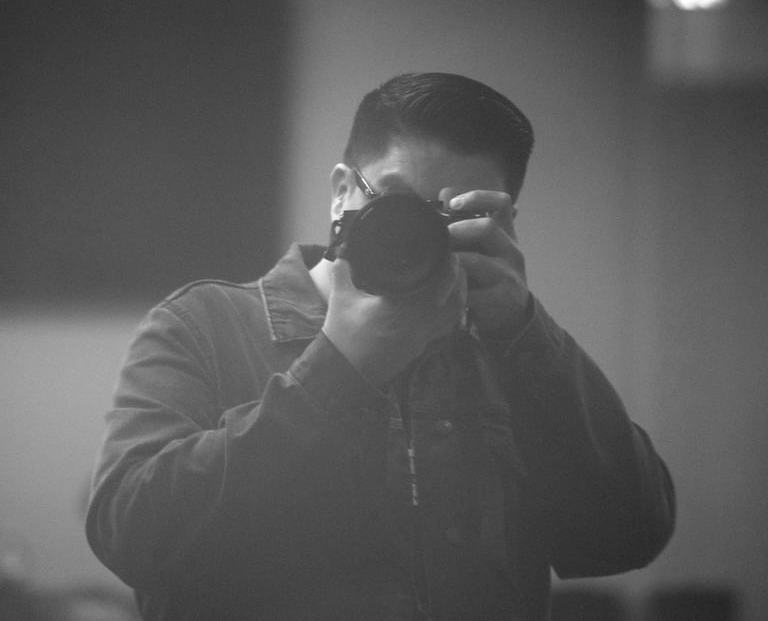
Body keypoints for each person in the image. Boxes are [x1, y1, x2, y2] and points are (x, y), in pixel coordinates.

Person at [86, 73, 675, 621]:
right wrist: (338, 372)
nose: (418, 231)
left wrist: (523, 331)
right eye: (397, 203)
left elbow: (630, 534)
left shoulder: (512, 353)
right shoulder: (205, 326)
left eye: (455, 214)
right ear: (343, 192)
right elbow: (132, 537)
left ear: (501, 223)